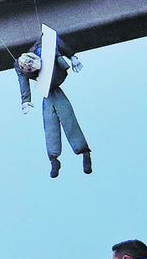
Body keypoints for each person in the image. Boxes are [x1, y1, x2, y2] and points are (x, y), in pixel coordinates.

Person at [15, 33, 91, 178]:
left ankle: (83, 152)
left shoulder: (43, 47)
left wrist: (72, 56)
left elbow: (52, 37)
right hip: (48, 91)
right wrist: (26, 100)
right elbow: (22, 82)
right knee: (49, 122)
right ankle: (54, 159)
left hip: (57, 76)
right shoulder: (19, 66)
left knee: (68, 118)